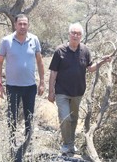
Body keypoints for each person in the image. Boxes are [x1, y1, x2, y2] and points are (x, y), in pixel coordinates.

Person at [47, 22, 111, 155]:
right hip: (61, 91)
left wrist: (103, 61)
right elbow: (53, 72)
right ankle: (66, 144)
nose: (75, 36)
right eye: (73, 33)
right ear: (69, 34)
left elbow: (90, 68)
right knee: (65, 118)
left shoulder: (85, 50)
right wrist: (51, 92)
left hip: (78, 92)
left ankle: (71, 144)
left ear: (81, 36)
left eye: (78, 34)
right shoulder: (60, 51)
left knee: (74, 118)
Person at [0, 14, 45, 162]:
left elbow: (39, 61)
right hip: (12, 86)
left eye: (25, 24)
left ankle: (27, 144)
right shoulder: (6, 41)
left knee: (29, 117)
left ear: (28, 25)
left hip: (30, 86)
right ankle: (12, 144)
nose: (22, 26)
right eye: (20, 24)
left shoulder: (34, 40)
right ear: (15, 25)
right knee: (12, 117)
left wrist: (42, 81)